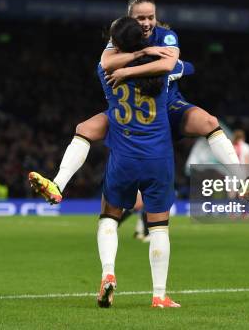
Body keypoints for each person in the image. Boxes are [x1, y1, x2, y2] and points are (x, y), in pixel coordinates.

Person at [28, 0, 240, 203]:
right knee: (84, 129)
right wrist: (141, 54)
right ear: (130, 19)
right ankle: (57, 185)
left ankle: (242, 180)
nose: (147, 23)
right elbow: (105, 64)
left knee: (210, 122)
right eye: (141, 18)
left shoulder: (166, 36)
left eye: (151, 17)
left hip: (167, 107)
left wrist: (126, 72)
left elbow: (171, 66)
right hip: (128, 111)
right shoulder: (120, 39)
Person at [95, 17, 180, 308]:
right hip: (158, 155)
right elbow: (171, 64)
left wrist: (127, 53)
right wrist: (148, 51)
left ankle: (108, 273)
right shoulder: (160, 71)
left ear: (115, 43)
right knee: (159, 227)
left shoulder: (106, 71)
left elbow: (107, 61)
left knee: (109, 216)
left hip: (124, 154)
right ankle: (159, 295)